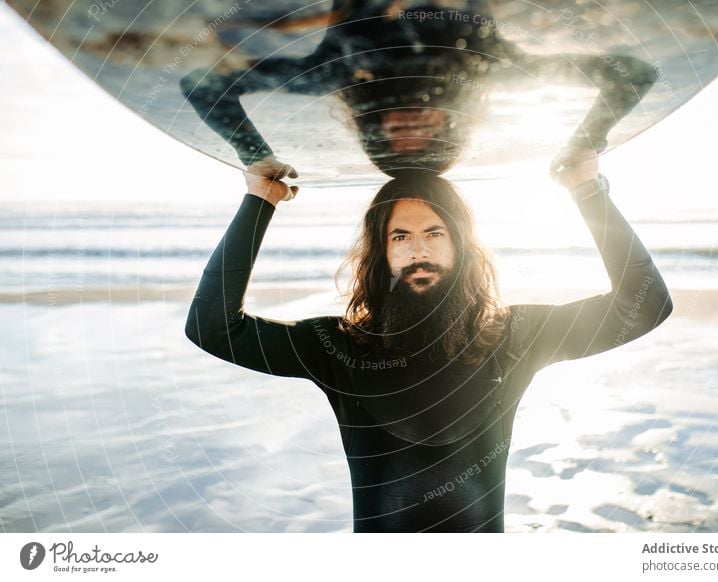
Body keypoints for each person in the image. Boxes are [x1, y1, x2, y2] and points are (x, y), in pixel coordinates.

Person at [184, 150, 674, 532]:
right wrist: (260, 200)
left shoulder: (514, 336)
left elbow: (646, 304)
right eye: (399, 237)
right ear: (382, 252)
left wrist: (587, 189)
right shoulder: (339, 347)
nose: (418, 250)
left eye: (434, 233)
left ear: (461, 244)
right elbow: (211, 327)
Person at [180, 1, 658, 177]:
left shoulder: (334, 73)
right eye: (425, 141)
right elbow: (634, 72)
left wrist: (253, 153)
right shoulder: (492, 71)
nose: (410, 126)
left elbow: (201, 83)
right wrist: (584, 142)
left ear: (373, 134)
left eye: (396, 142)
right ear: (451, 131)